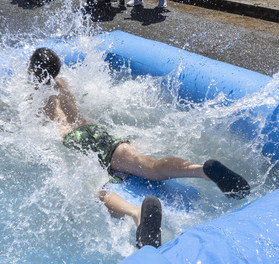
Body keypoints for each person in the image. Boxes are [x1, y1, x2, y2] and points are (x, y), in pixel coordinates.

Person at [28, 47, 250, 248]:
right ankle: (201, 170)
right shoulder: (64, 83)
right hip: (96, 130)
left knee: (91, 186)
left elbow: (37, 126)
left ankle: (136, 214)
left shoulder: (36, 94)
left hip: (75, 139)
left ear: (35, 72)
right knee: (147, 164)